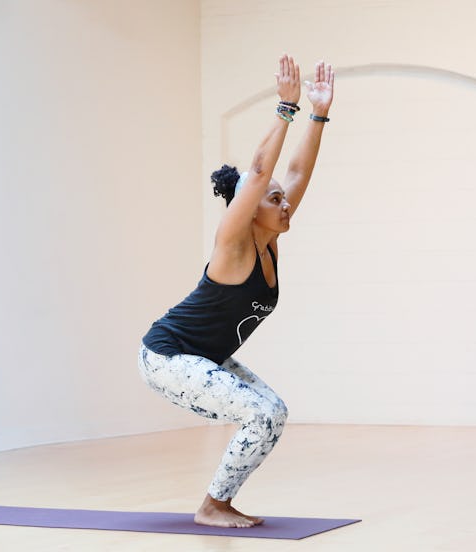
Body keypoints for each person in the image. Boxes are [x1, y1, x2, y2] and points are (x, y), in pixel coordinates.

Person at [138, 54, 335, 528]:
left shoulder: (268, 243)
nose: (285, 202)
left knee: (274, 412)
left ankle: (218, 501)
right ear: (247, 209)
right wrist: (284, 109)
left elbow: (297, 174)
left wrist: (319, 114)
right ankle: (212, 507)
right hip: (167, 355)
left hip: (206, 358)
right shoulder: (233, 244)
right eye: (273, 199)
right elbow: (262, 171)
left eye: (282, 199)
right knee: (262, 414)